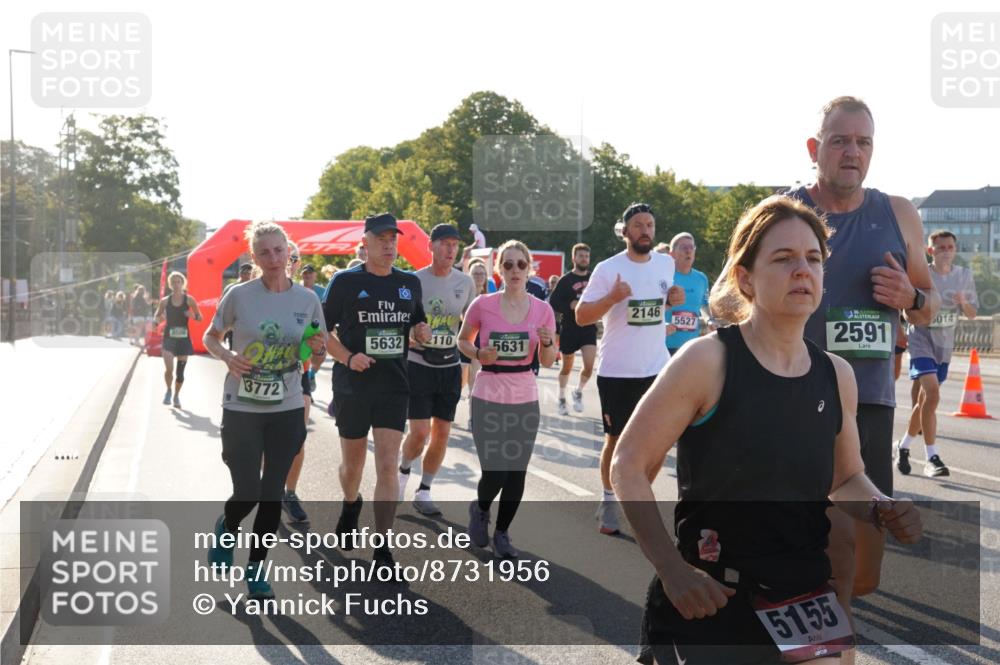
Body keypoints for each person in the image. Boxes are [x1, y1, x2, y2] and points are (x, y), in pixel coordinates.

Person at [613, 195, 923, 665]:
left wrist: (882, 508)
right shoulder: (708, 360)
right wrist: (672, 570)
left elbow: (845, 479)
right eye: (783, 258)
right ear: (745, 279)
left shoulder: (836, 375)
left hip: (806, 596)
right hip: (714, 593)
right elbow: (628, 466)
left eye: (813, 259)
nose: (803, 270)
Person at [784, 96, 939, 664]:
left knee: (862, 567)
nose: (852, 152)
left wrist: (911, 296)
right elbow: (732, 292)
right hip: (791, 398)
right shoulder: (784, 211)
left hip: (868, 403)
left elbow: (928, 306)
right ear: (814, 148)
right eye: (840, 140)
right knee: (818, 555)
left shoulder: (897, 213)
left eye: (863, 142)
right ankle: (824, 648)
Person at [202, 220, 327, 601]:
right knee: (247, 492)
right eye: (265, 253)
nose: (274, 259)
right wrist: (227, 356)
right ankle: (228, 525)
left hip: (287, 404)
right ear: (254, 257)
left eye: (279, 250)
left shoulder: (307, 300)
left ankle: (256, 569)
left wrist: (317, 352)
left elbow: (313, 354)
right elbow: (210, 335)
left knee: (272, 492)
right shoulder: (239, 295)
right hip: (242, 406)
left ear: (290, 252)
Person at [323, 213, 431, 573]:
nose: (389, 245)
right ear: (365, 242)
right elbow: (320, 332)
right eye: (381, 239)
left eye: (393, 239)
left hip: (394, 385)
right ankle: (350, 503)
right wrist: (348, 357)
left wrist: (421, 330)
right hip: (353, 385)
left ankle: (383, 546)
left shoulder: (409, 283)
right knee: (352, 466)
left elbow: (417, 318)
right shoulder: (344, 282)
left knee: (387, 465)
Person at [576, 203, 684, 535]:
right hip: (618, 371)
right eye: (637, 225)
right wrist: (612, 298)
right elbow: (582, 316)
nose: (645, 230)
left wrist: (672, 300)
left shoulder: (666, 263)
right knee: (617, 439)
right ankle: (609, 500)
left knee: (655, 442)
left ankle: (635, 501)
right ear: (625, 231)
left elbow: (656, 303)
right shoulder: (608, 269)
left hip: (657, 369)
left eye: (650, 224)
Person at [459, 240, 557, 558]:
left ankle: (502, 533)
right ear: (499, 269)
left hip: (524, 395)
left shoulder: (543, 310)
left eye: (521, 264)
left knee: (516, 471)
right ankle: (481, 508)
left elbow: (547, 360)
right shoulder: (482, 305)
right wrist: (477, 352)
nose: (515, 270)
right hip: (488, 393)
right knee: (496, 470)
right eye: (508, 264)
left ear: (530, 269)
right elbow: (462, 340)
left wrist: (546, 344)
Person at [399, 224, 476, 515]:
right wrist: (413, 333)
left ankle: (425, 489)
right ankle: (404, 470)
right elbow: (401, 323)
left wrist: (475, 354)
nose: (450, 250)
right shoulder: (413, 281)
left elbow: (471, 324)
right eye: (445, 244)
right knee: (419, 432)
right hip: (419, 363)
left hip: (450, 365)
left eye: (455, 245)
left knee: (442, 432)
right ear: (431, 246)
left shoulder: (466, 282)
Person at [897, 230, 979, 478]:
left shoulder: (964, 276)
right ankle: (932, 457)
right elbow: (904, 308)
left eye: (950, 247)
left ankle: (903, 447)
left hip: (944, 346)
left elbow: (973, 313)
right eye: (940, 247)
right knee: (932, 392)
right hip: (921, 339)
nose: (945, 251)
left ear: (955, 250)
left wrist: (963, 302)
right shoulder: (921, 274)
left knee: (925, 402)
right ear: (930, 251)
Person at [549, 243, 598, 416]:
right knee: (567, 367)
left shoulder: (594, 278)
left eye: (586, 256)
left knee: (589, 365)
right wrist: (569, 305)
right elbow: (553, 302)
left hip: (588, 328)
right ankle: (562, 397)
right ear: (574, 258)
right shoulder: (565, 280)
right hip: (569, 328)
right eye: (581, 256)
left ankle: (578, 391)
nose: (584, 259)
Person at [153, 272, 203, 409]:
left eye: (178, 282)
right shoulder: (165, 301)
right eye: (173, 282)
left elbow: (200, 318)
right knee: (169, 369)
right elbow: (156, 317)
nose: (176, 284)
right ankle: (168, 390)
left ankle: (176, 396)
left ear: (183, 283)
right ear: (170, 284)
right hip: (169, 338)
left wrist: (192, 316)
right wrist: (158, 320)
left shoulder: (189, 300)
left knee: (180, 373)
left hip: (183, 340)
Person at [665, 232, 714, 354]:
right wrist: (661, 325)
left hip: (690, 347)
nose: (688, 251)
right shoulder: (664, 276)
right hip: (665, 346)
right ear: (672, 254)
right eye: (683, 247)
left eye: (691, 247)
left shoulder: (701, 278)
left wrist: (709, 319)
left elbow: (704, 304)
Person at [461, 259, 492, 402]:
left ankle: (472, 414)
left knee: (475, 377)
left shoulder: (490, 297)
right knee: (461, 379)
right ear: (470, 275)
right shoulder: (463, 294)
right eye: (475, 274)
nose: (479, 277)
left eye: (482, 274)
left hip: (480, 340)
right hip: (464, 339)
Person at [223, 263, 254, 350]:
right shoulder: (231, 287)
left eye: (249, 273)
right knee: (234, 348)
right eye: (245, 273)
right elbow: (223, 305)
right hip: (234, 323)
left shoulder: (256, 288)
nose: (247, 275)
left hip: (250, 323)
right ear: (240, 274)